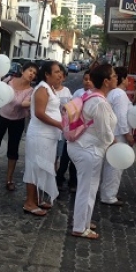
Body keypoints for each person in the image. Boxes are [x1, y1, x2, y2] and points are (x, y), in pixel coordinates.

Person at [67, 64, 117, 239]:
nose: (116, 78)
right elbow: (104, 133)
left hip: (81, 146)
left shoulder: (90, 95)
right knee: (87, 189)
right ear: (106, 81)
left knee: (86, 188)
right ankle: (80, 227)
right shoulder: (100, 103)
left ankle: (83, 221)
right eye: (114, 76)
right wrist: (114, 142)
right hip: (89, 150)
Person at [0, 62, 37, 191]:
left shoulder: (31, 91)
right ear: (23, 70)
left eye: (34, 73)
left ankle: (9, 179)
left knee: (13, 149)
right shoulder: (9, 80)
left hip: (17, 120)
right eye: (30, 70)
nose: (31, 74)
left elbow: (23, 104)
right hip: (1, 116)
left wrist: (33, 101)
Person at [23, 61, 63, 216]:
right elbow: (39, 113)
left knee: (43, 166)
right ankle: (29, 202)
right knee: (34, 166)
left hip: (49, 137)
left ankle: (38, 198)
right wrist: (58, 124)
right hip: (40, 135)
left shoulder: (50, 89)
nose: (60, 74)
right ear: (47, 74)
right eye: (56, 71)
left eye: (60, 72)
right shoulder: (42, 89)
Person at [99, 66, 134, 206]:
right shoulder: (120, 94)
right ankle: (109, 196)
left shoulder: (113, 93)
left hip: (113, 133)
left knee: (110, 165)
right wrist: (128, 134)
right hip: (118, 134)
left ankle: (107, 192)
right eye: (127, 78)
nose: (128, 82)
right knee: (115, 166)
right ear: (123, 79)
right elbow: (121, 116)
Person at [55, 63, 77, 193]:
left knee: (62, 154)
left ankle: (58, 178)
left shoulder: (67, 92)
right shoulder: (47, 89)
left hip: (62, 129)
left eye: (62, 76)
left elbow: (71, 110)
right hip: (50, 127)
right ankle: (53, 179)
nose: (59, 77)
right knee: (52, 156)